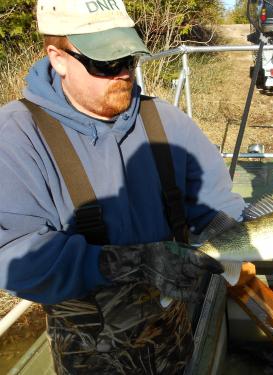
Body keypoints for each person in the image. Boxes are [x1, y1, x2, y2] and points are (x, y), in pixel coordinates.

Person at [0, 0, 244, 373]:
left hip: (175, 341)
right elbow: (14, 257)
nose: (124, 73)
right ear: (58, 58)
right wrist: (132, 262)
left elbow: (218, 209)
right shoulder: (16, 138)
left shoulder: (167, 122)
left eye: (129, 58)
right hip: (87, 357)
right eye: (105, 62)